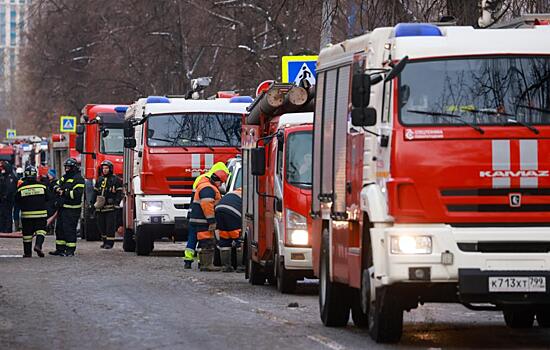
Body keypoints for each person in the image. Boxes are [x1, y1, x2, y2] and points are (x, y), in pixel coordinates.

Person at [183, 162, 229, 269]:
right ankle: (205, 264)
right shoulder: (208, 188)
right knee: (206, 242)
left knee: (193, 240)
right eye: (220, 182)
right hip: (202, 220)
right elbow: (207, 205)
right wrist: (212, 220)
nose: (221, 185)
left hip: (195, 218)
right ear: (216, 179)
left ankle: (189, 261)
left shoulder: (202, 182)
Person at [49, 158, 84, 257]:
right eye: (66, 167)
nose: (67, 169)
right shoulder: (65, 177)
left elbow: (77, 194)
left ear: (74, 168)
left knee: (69, 230)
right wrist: (57, 188)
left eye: (69, 167)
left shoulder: (78, 179)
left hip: (72, 209)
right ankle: (60, 249)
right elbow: (56, 184)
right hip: (63, 208)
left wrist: (63, 192)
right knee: (59, 229)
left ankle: (70, 250)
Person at [15, 166, 47, 257]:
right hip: (41, 214)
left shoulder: (21, 188)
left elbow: (16, 200)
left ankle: (27, 253)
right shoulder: (42, 186)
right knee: (41, 231)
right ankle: (38, 245)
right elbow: (49, 198)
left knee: (27, 235)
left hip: (26, 216)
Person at [93, 160, 123, 249]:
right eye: (103, 168)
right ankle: (104, 241)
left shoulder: (116, 180)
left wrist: (116, 202)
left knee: (110, 225)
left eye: (106, 168)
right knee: (101, 225)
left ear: (110, 169)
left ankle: (110, 243)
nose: (105, 170)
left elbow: (119, 193)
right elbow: (95, 192)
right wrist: (92, 203)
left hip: (111, 207)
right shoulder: (99, 179)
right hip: (100, 207)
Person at [215, 188, 244, 272]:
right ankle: (241, 266)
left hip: (219, 210)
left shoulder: (233, 192)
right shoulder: (247, 194)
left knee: (224, 238)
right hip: (233, 213)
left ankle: (225, 266)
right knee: (239, 239)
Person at [0, 161, 17, 232]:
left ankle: (7, 229)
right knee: (2, 214)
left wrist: (5, 196)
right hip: (2, 199)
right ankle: (2, 229)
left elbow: (10, 188)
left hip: (8, 200)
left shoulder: (11, 177)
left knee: (7, 214)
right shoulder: (3, 176)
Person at [13, 167, 24, 231]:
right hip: (22, 198)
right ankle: (21, 226)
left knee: (16, 212)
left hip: (17, 198)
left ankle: (17, 227)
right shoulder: (23, 181)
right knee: (21, 212)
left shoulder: (15, 179)